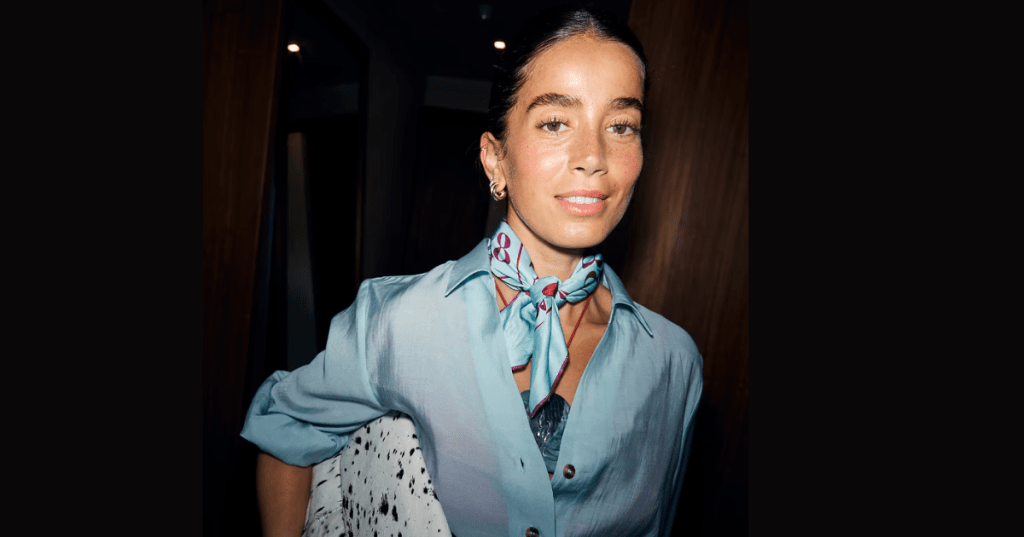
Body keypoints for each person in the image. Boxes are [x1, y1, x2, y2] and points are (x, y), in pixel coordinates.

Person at [241, 6, 703, 537]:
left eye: (621, 125)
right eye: (556, 122)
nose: (593, 156)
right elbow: (283, 429)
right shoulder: (400, 320)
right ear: (495, 158)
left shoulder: (674, 364)